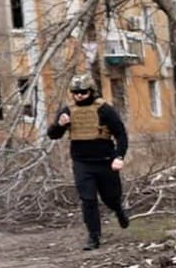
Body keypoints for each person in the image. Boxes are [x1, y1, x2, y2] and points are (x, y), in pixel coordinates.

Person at [45, 73, 130, 250]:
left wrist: (119, 156)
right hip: (82, 163)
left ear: (91, 91)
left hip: (105, 160)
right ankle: (93, 237)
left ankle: (118, 210)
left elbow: (121, 134)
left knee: (110, 197)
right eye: (75, 93)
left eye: (82, 92)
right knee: (88, 200)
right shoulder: (68, 110)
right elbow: (53, 135)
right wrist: (59, 125)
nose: (79, 96)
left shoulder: (105, 109)